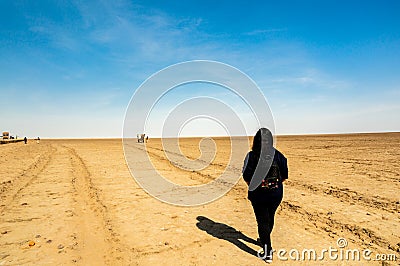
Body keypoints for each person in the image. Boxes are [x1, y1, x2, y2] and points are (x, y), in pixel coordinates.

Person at [242, 128, 288, 263]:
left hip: (258, 195)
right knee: (269, 218)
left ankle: (267, 252)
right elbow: (284, 176)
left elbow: (246, 177)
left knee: (262, 221)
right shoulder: (278, 155)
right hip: (275, 194)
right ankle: (264, 239)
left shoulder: (251, 156)